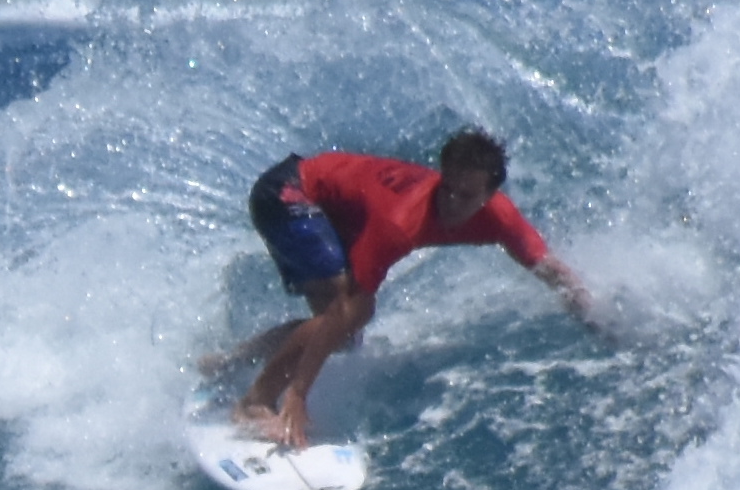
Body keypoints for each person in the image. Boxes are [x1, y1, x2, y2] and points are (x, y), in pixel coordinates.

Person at [217, 129, 597, 449]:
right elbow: (345, 309)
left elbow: (549, 268)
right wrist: (299, 394)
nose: (451, 203)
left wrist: (593, 315)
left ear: (490, 194)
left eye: (466, 196)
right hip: (288, 193)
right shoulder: (401, 221)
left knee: (342, 334)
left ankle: (230, 363)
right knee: (349, 316)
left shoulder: (499, 217)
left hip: (332, 206)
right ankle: (255, 401)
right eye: (447, 189)